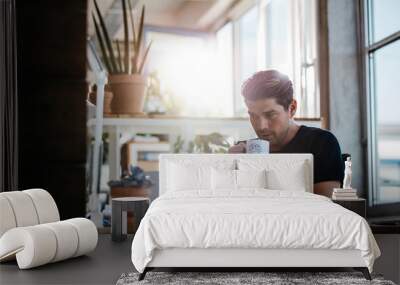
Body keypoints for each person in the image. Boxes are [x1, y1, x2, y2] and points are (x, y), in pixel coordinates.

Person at [229, 70, 344, 197]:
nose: (261, 126)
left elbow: (326, 206)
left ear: (292, 108)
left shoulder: (321, 143)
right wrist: (229, 166)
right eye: (254, 116)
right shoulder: (244, 150)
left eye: (270, 115)